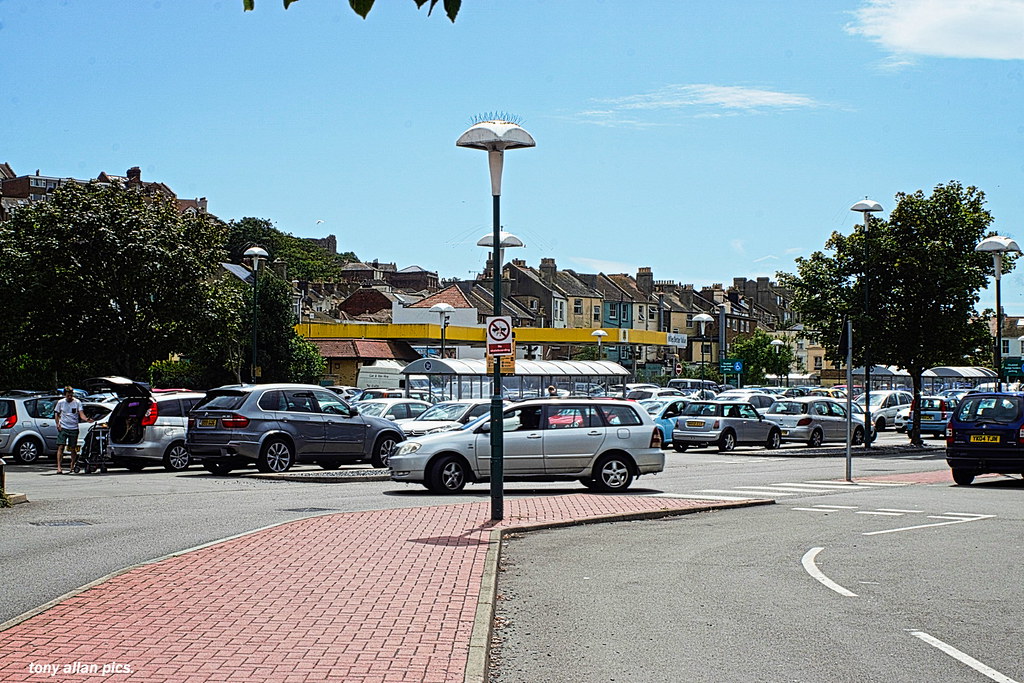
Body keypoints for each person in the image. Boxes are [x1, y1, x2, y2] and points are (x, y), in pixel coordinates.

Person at [53, 387, 92, 474]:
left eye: (71, 394)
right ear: (65, 395)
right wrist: (57, 423)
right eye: (68, 395)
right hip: (63, 427)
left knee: (72, 448)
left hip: (73, 428)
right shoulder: (61, 402)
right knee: (61, 446)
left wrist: (86, 419)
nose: (70, 396)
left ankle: (72, 464)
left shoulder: (77, 402)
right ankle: (59, 467)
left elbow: (81, 414)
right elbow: (56, 413)